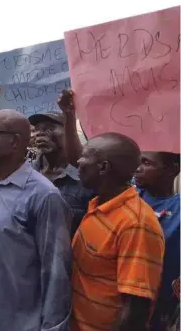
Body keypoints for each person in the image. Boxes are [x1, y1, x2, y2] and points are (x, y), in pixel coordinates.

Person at [0, 109, 72, 331]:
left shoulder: (43, 195)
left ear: (15, 142)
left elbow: (56, 272)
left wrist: (52, 327)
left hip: (18, 322)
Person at [71, 132, 165, 331]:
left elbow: (136, 308)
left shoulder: (136, 224)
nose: (78, 161)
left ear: (103, 167)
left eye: (85, 156)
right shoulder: (99, 205)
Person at [134, 152, 180, 331]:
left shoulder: (178, 210)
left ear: (173, 169)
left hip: (160, 307)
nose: (138, 168)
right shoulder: (128, 194)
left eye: (146, 163)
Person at [28, 112, 94, 236]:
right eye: (37, 129)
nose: (40, 133)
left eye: (50, 128)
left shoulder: (87, 176)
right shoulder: (27, 173)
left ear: (69, 133)